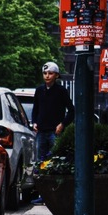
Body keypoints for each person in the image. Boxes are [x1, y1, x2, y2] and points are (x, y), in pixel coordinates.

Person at [31, 61, 75, 204]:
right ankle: (43, 194)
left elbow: (72, 111)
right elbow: (35, 109)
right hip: (41, 132)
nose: (47, 76)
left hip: (54, 132)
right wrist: (34, 122)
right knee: (41, 163)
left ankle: (56, 194)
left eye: (50, 73)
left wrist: (62, 124)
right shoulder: (39, 90)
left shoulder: (61, 91)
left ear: (56, 75)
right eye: (45, 73)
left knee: (55, 162)